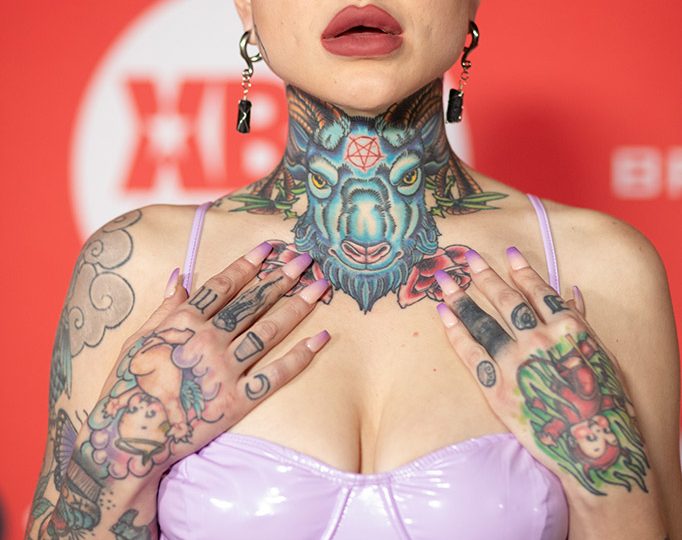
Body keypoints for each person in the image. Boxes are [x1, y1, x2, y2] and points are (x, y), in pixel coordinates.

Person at [26, 1, 681, 539]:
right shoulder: (138, 264)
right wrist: (119, 459)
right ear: (246, 8)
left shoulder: (600, 269)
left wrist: (602, 474)